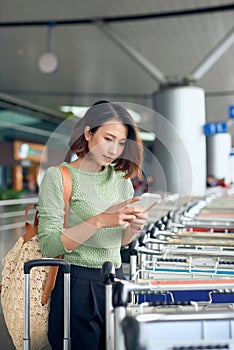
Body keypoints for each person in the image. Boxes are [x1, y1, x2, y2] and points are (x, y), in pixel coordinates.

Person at [37, 101, 148, 350]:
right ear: (88, 133)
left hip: (116, 281)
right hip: (76, 283)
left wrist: (133, 227)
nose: (114, 149)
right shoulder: (59, 177)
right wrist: (99, 220)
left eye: (121, 143)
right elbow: (48, 244)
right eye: (108, 138)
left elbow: (119, 242)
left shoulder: (121, 181)